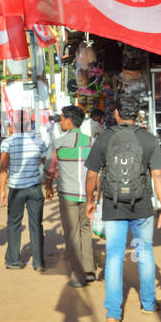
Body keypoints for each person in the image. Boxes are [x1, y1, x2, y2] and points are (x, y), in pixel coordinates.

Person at [84, 94, 161, 322]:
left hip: (113, 205)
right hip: (141, 206)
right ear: (137, 115)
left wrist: (90, 201)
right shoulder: (149, 139)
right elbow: (158, 176)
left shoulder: (104, 138)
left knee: (113, 257)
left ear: (117, 113)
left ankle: (113, 315)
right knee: (144, 253)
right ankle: (149, 304)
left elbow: (92, 174)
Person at [45, 105, 95, 288]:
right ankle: (89, 270)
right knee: (85, 230)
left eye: (62, 118)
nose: (61, 122)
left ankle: (77, 274)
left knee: (72, 234)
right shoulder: (91, 142)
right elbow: (97, 169)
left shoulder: (58, 144)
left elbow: (49, 171)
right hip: (88, 194)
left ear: (69, 120)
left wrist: (48, 187)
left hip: (68, 195)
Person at [0, 116, 50, 270]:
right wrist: (48, 186)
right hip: (35, 188)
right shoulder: (39, 142)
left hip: (16, 189)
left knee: (14, 223)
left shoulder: (8, 143)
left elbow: (3, 168)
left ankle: (13, 260)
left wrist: (2, 190)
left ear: (13, 126)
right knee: (36, 224)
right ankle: (38, 262)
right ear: (29, 125)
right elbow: (46, 166)